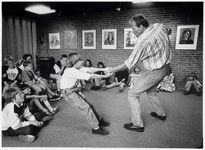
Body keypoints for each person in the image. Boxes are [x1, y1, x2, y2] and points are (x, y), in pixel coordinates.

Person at [109, 14, 172, 132]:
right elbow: (169, 30)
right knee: (151, 91)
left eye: (133, 28)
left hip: (154, 72)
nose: (132, 31)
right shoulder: (159, 26)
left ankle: (137, 124)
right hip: (166, 68)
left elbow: (129, 64)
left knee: (132, 94)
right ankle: (161, 114)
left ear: (142, 26)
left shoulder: (142, 41)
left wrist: (112, 70)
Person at [60, 53, 113, 135]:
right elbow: (91, 76)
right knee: (85, 108)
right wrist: (105, 76)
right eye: (80, 60)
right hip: (68, 93)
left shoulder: (77, 68)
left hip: (73, 90)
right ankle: (96, 128)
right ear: (75, 62)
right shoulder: (72, 71)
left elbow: (90, 70)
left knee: (89, 105)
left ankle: (97, 120)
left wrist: (104, 69)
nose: (82, 61)